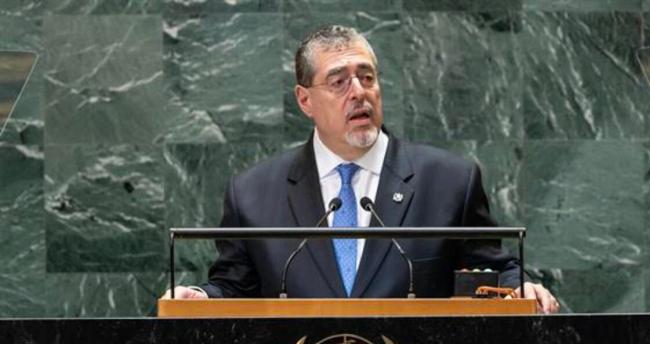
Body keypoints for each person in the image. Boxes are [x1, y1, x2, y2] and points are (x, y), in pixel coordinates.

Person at [163, 25, 559, 313]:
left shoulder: (449, 181)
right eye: (338, 82)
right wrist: (203, 299)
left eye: (366, 77)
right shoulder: (251, 194)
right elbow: (235, 288)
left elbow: (489, 271)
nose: (359, 92)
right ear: (305, 100)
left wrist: (518, 287)